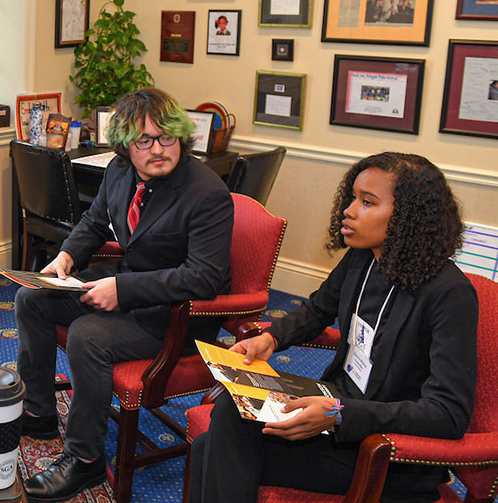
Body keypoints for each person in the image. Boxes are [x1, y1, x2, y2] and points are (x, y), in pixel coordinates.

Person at [188, 152, 477, 503]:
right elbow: (317, 310)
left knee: (214, 443)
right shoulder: (364, 257)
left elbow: (447, 414)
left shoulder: (449, 293)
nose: (349, 210)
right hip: (334, 404)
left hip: (385, 449)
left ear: (408, 218)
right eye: (353, 197)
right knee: (224, 421)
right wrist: (271, 338)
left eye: (367, 202)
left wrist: (339, 414)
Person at [15, 88, 233, 502]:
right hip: (130, 283)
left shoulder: (206, 193)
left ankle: (85, 459)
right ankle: (40, 413)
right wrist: (65, 257)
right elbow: (95, 223)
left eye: (166, 138)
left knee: (88, 335)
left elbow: (205, 278)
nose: (157, 150)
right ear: (125, 145)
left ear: (181, 137)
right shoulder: (118, 171)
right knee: (32, 298)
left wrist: (124, 289)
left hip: (175, 317)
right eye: (143, 141)